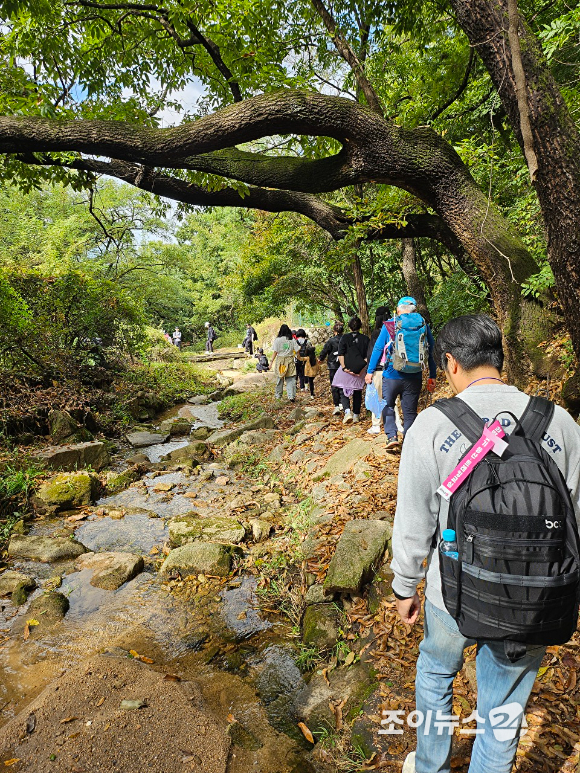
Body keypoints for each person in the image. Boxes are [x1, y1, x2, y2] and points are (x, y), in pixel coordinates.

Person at [391, 314, 580, 773]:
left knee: (436, 674)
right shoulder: (559, 423)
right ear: (500, 358)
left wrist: (405, 585)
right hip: (532, 595)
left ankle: (429, 765)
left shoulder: (432, 427)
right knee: (503, 714)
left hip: (451, 593)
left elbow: (415, 518)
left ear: (451, 363)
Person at [365, 296, 436, 450]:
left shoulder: (391, 324)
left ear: (398, 310)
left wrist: (370, 371)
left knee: (388, 405)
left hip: (392, 375)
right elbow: (431, 350)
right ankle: (409, 442)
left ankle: (392, 436)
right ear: (415, 310)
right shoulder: (423, 325)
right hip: (415, 375)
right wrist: (432, 376)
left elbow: (378, 348)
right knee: (410, 411)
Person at [332, 316, 370, 424]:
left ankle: (347, 412)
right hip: (360, 370)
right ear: (360, 326)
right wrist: (361, 369)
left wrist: (344, 368)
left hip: (346, 369)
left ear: (349, 326)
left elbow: (341, 354)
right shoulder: (365, 339)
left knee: (342, 390)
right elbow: (368, 356)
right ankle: (356, 415)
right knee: (357, 391)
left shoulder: (345, 338)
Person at [365, 305, 389, 434]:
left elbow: (372, 353)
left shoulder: (376, 333)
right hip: (393, 370)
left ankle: (376, 424)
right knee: (392, 398)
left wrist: (369, 371)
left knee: (377, 397)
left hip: (379, 370)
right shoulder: (394, 330)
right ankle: (394, 423)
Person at [319, 322, 345, 415]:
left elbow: (325, 351)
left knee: (334, 385)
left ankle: (337, 405)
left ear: (334, 331)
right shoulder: (346, 339)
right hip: (344, 366)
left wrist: (320, 358)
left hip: (333, 366)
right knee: (343, 384)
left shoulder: (331, 341)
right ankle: (343, 404)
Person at [271, 324, 300, 401]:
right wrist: (299, 358)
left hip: (280, 361)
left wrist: (271, 362)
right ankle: (291, 396)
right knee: (291, 379)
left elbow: (275, 352)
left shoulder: (277, 340)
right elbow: (297, 350)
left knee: (280, 379)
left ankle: (278, 396)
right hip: (290, 360)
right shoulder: (292, 340)